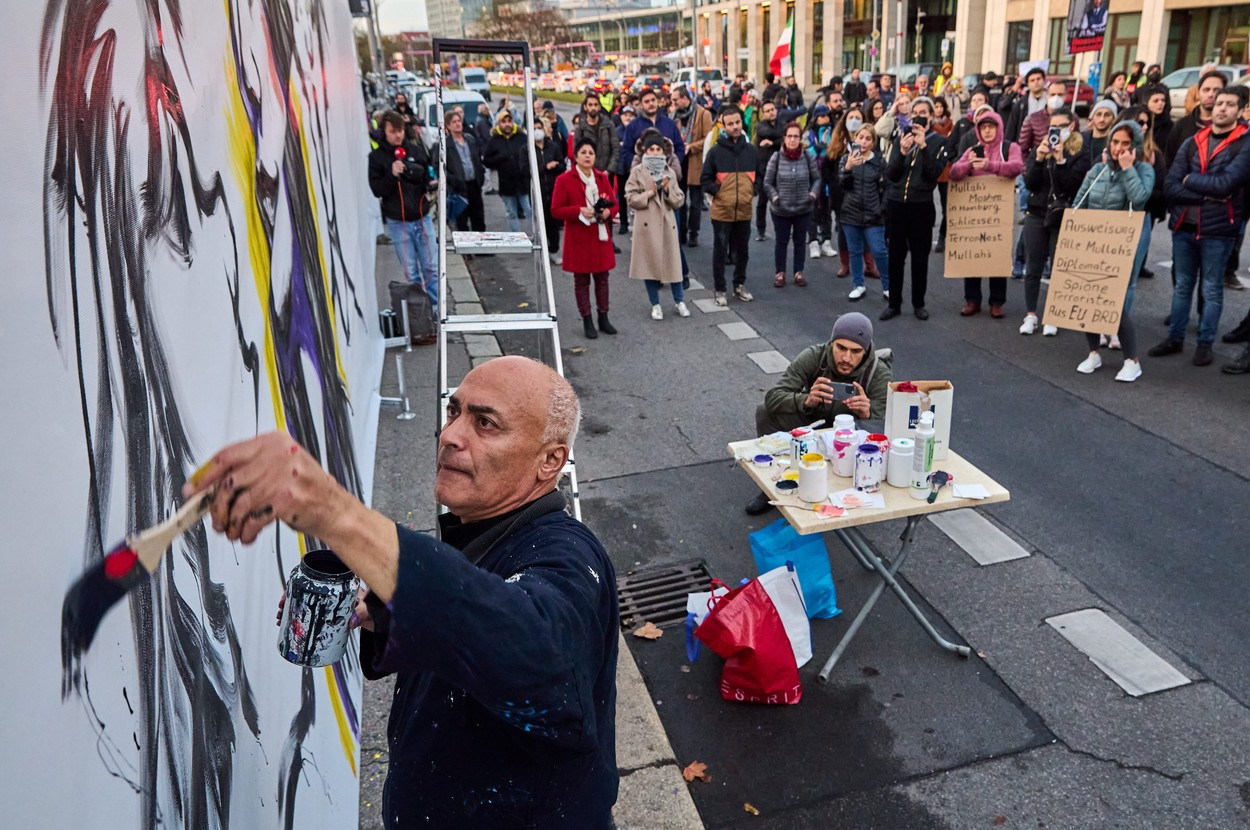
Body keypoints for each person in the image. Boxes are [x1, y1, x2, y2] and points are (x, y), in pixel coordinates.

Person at [185, 357, 619, 829]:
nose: (451, 435)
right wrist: (387, 613)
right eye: (454, 413)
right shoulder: (482, 534)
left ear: (549, 461)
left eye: (485, 423)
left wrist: (336, 513)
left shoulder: (569, 556)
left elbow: (535, 653)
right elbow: (474, 625)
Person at [743, 311, 893, 515]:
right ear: (831, 343)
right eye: (841, 348)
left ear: (866, 351)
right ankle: (775, 485)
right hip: (813, 423)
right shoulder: (815, 356)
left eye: (856, 351)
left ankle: (846, 487)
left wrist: (868, 413)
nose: (846, 358)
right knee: (765, 412)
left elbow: (888, 426)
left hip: (849, 436)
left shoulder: (878, 373)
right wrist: (805, 400)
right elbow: (774, 396)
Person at [1152, 87, 1250, 367]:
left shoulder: (1244, 143)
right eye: (1219, 103)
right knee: (1182, 286)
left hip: (1218, 231)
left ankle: (1205, 344)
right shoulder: (1194, 140)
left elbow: (1227, 184)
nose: (1222, 108)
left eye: (1230, 105)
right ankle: (1175, 337)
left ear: (1240, 110)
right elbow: (1171, 184)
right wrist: (1207, 193)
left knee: (1211, 289)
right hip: (1184, 226)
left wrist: (1190, 181)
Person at [1070, 119, 1152, 380]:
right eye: (1115, 142)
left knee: (1113, 300)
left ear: (1135, 146)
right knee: (1088, 296)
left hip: (1121, 245)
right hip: (1092, 242)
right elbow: (1078, 203)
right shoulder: (1097, 171)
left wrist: (1128, 170)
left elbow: (1139, 200)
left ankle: (1132, 360)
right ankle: (1094, 352)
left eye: (1125, 143)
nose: (1118, 148)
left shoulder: (1145, 170)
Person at [1018, 107, 1089, 337]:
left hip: (1061, 215)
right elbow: (1029, 182)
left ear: (1071, 127)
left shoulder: (1079, 152)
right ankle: (1031, 314)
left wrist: (1060, 161)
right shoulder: (1041, 147)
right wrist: (1039, 159)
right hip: (1036, 213)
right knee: (1033, 266)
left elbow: (1071, 186)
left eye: (1061, 127)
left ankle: (1053, 314)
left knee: (1058, 267)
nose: (1055, 131)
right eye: (1052, 127)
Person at [948, 110, 1023, 318]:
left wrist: (991, 165)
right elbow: (954, 172)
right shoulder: (973, 149)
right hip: (974, 211)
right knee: (974, 255)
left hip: (998, 211)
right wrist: (967, 165)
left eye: (991, 127)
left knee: (996, 255)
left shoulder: (1010, 147)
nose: (987, 130)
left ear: (998, 128)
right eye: (983, 127)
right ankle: (972, 300)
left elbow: (1018, 167)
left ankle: (997, 302)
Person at [369, 111, 440, 321]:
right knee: (411, 272)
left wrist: (427, 182)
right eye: (393, 131)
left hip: (421, 216)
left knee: (431, 267)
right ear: (385, 132)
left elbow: (427, 176)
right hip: (398, 222)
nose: (397, 135)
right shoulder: (377, 157)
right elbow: (376, 189)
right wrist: (392, 174)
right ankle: (420, 313)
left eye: (400, 131)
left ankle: (437, 310)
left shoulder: (415, 150)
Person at [880, 97, 945, 321]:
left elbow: (933, 173)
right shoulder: (901, 137)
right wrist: (902, 151)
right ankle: (894, 303)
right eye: (915, 112)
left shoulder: (938, 141)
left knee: (920, 258)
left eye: (923, 112)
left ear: (930, 116)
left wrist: (924, 147)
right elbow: (891, 174)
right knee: (895, 258)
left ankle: (919, 303)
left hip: (921, 206)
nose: (918, 116)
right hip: (897, 204)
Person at [551, 138, 619, 339]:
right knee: (581, 281)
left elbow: (614, 203)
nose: (588, 156)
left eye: (591, 152)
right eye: (584, 152)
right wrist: (577, 210)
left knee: (602, 279)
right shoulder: (564, 180)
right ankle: (587, 319)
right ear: (576, 156)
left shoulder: (601, 177)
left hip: (600, 237)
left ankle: (603, 317)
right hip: (579, 237)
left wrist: (608, 213)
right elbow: (556, 210)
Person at [625, 130, 688, 319]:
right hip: (647, 225)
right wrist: (649, 193)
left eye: (658, 149)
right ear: (646, 151)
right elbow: (630, 197)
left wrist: (668, 191)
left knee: (673, 264)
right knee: (649, 266)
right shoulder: (637, 171)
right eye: (651, 149)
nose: (654, 152)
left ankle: (679, 301)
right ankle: (655, 304)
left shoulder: (669, 172)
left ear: (663, 152)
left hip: (667, 224)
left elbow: (679, 200)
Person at [701, 105, 757, 306]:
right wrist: (719, 193)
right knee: (720, 250)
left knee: (743, 250)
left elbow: (759, 175)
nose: (734, 127)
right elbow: (705, 179)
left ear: (742, 124)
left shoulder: (750, 151)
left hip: (743, 209)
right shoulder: (715, 152)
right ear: (723, 126)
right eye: (730, 123)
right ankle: (720, 289)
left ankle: (739, 285)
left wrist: (752, 190)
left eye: (737, 123)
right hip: (722, 210)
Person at [764, 120, 820, 288]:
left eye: (796, 136)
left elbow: (817, 178)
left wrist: (812, 194)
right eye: (790, 136)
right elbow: (767, 182)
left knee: (800, 240)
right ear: (784, 138)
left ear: (800, 138)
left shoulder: (808, 156)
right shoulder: (776, 157)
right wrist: (775, 197)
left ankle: (798, 271)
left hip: (803, 207)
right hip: (781, 209)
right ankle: (780, 272)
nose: (793, 140)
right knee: (781, 241)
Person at [839, 125, 891, 302]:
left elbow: (886, 188)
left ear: (873, 142)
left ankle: (888, 285)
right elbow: (842, 186)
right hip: (850, 214)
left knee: (879, 250)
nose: (863, 141)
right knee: (855, 251)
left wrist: (881, 210)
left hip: (873, 215)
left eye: (868, 138)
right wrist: (847, 168)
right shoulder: (847, 158)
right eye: (861, 137)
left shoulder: (879, 162)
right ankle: (858, 285)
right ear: (855, 139)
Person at [672, 86, 713, 247]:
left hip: (695, 161)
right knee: (680, 200)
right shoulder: (674, 115)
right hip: (679, 162)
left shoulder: (703, 114)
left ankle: (693, 233)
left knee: (696, 202)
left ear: (684, 98)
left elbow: (708, 138)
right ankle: (681, 232)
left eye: (675, 99)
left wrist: (691, 146)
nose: (673, 103)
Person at [482, 110, 533, 234]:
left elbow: (530, 154)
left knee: (529, 210)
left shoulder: (522, 137)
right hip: (506, 183)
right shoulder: (494, 140)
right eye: (503, 122)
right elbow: (487, 160)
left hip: (523, 182)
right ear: (499, 124)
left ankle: (537, 235)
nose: (507, 124)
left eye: (509, 121)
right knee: (511, 212)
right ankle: (517, 237)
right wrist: (500, 158)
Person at [620, 87, 685, 182]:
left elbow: (679, 147)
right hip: (643, 180)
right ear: (641, 105)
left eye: (653, 100)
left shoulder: (669, 124)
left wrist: (672, 167)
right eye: (647, 101)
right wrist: (639, 169)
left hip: (668, 179)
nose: (651, 103)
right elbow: (626, 151)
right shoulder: (633, 126)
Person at [1168, 69, 1225, 165]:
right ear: (1198, 93)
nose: (1211, 94)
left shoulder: (1234, 128)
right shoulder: (1182, 125)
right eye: (1206, 90)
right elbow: (1170, 160)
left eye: (1216, 90)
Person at [445, 110, 486, 234]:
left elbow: (478, 159)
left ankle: (481, 248)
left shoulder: (470, 140)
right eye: (454, 122)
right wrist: (453, 181)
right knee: (462, 220)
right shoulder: (445, 145)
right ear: (448, 126)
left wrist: (481, 174)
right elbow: (440, 167)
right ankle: (466, 250)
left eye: (459, 121)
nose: (458, 124)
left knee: (478, 217)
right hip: (459, 188)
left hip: (474, 184)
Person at [805, 104, 837, 258]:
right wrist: (817, 147)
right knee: (813, 211)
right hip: (813, 177)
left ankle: (826, 241)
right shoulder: (809, 134)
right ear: (816, 118)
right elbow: (804, 153)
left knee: (827, 211)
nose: (825, 118)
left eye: (827, 115)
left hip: (829, 177)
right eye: (822, 116)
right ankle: (813, 242)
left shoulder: (834, 133)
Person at [534, 123, 567, 263]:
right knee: (541, 224)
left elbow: (562, 166)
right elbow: (525, 169)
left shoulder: (552, 146)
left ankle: (553, 250)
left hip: (553, 192)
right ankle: (541, 251)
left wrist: (556, 166)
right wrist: (545, 167)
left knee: (553, 224)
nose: (537, 131)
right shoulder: (527, 149)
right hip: (538, 191)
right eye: (534, 128)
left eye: (539, 128)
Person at [754, 100, 785, 241]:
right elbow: (770, 133)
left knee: (783, 200)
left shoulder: (782, 123)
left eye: (773, 109)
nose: (771, 112)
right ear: (763, 114)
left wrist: (772, 142)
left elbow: (785, 137)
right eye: (768, 110)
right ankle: (761, 230)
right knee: (762, 202)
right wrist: (780, 139)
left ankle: (784, 228)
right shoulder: (760, 126)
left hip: (781, 167)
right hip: (764, 168)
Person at [931, 97, 955, 253]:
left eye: (940, 106)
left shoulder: (954, 126)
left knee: (948, 207)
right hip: (933, 169)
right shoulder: (932, 127)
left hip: (948, 170)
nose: (938, 109)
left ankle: (942, 236)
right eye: (936, 106)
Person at [1004, 67, 1047, 145]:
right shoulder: (1020, 104)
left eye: (1038, 79)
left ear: (1044, 81)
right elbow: (1012, 127)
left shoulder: (1050, 100)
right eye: (1032, 80)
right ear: (1028, 84)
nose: (1036, 82)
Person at [615, 105, 636, 234]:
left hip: (634, 167)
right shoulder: (617, 131)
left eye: (630, 115)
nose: (628, 118)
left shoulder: (636, 130)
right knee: (622, 197)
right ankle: (623, 222)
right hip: (621, 168)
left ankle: (636, 222)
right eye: (625, 115)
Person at [1083, 99, 1119, 165]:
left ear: (1114, 118)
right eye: (1098, 114)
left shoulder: (1116, 142)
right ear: (1092, 117)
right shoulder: (1081, 139)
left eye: (1107, 115)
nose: (1102, 119)